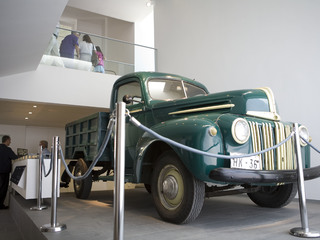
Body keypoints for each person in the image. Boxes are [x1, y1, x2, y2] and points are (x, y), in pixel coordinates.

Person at [0, 135, 18, 210]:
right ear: (7, 140)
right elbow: (15, 157)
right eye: (10, 140)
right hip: (4, 172)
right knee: (3, 188)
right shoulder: (7, 149)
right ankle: (0, 205)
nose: (10, 142)